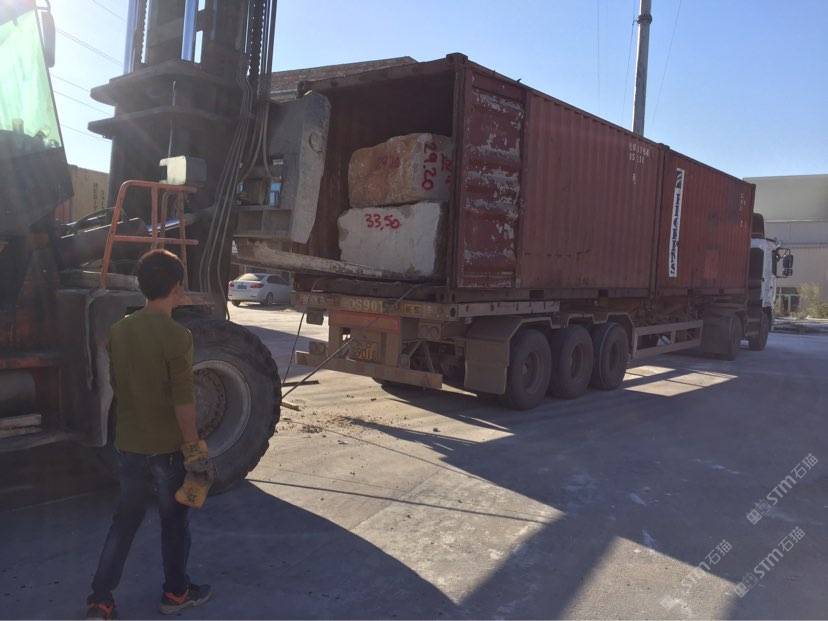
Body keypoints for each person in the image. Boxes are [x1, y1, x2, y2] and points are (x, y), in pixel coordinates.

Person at [85, 249, 212, 620]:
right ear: (176, 289)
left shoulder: (119, 331)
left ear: (141, 286)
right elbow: (184, 403)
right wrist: (194, 451)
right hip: (168, 451)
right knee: (174, 524)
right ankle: (176, 594)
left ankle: (100, 600)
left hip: (129, 446)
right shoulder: (178, 336)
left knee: (124, 523)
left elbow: (119, 386)